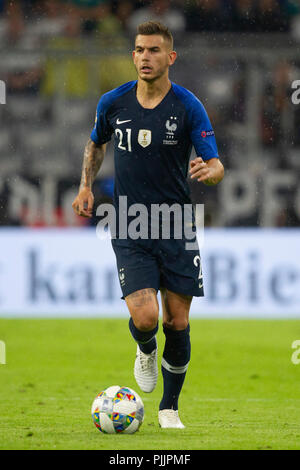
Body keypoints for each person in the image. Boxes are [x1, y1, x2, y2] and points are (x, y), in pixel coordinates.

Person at [72, 21, 224, 429]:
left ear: (170, 57)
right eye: (139, 50)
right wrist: (86, 186)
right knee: (145, 318)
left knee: (178, 321)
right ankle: (144, 349)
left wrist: (211, 172)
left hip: (176, 226)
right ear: (132, 55)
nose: (145, 57)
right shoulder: (113, 102)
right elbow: (96, 142)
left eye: (154, 50)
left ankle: (169, 408)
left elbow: (216, 162)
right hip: (130, 223)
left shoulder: (188, 105)